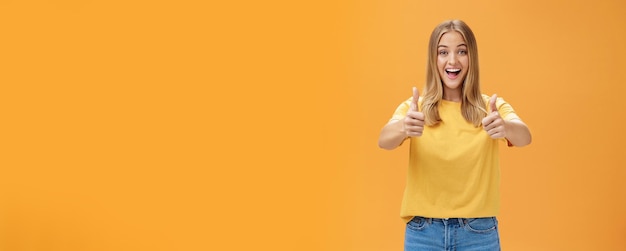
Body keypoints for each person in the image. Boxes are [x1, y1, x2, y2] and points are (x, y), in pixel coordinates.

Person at [378, 19, 531, 251]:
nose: (452, 60)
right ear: (434, 59)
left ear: (472, 58)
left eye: (462, 51)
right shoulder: (416, 109)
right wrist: (403, 128)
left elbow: (525, 136)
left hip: (478, 233)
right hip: (423, 233)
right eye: (443, 52)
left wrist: (505, 127)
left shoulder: (489, 107)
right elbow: (384, 140)